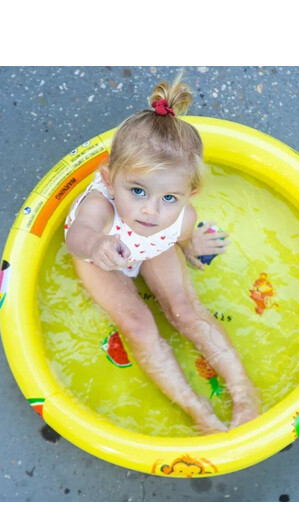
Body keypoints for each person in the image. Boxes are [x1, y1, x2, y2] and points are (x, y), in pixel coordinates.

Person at [65, 74, 260, 434]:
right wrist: (95, 245)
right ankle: (197, 409)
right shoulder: (101, 206)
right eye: (137, 190)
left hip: (152, 248)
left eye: (169, 197)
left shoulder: (182, 217)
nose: (151, 211)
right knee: (138, 324)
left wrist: (189, 244)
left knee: (185, 310)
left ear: (190, 193)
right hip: (101, 258)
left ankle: (244, 391)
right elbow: (78, 235)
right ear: (108, 179)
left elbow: (180, 233)